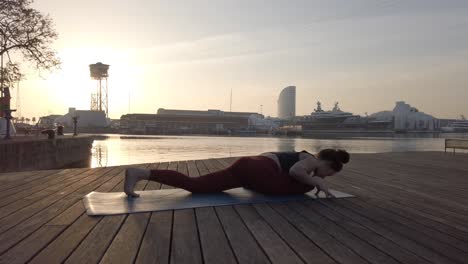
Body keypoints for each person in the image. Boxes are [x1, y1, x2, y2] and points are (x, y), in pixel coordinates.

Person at [124, 149, 350, 198]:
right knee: (306, 186)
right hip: (260, 169)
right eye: (327, 174)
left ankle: (141, 173)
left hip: (248, 167)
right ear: (327, 163)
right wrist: (317, 183)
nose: (325, 176)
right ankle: (140, 173)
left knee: (196, 185)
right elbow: (295, 171)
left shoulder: (306, 159)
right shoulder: (310, 160)